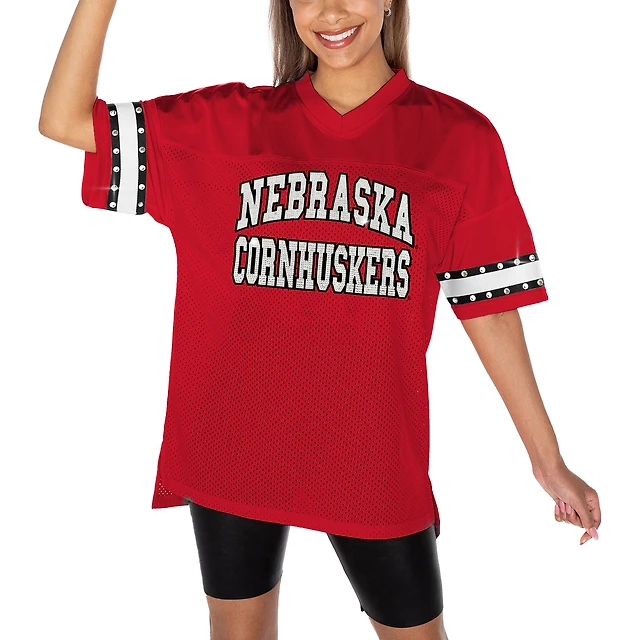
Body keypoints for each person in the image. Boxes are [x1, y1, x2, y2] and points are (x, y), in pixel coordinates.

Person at [39, 1, 602, 638]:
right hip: (234, 444)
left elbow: (490, 310)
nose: (330, 12)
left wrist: (547, 462)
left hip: (372, 455)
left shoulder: (458, 139)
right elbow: (63, 119)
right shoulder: (228, 125)